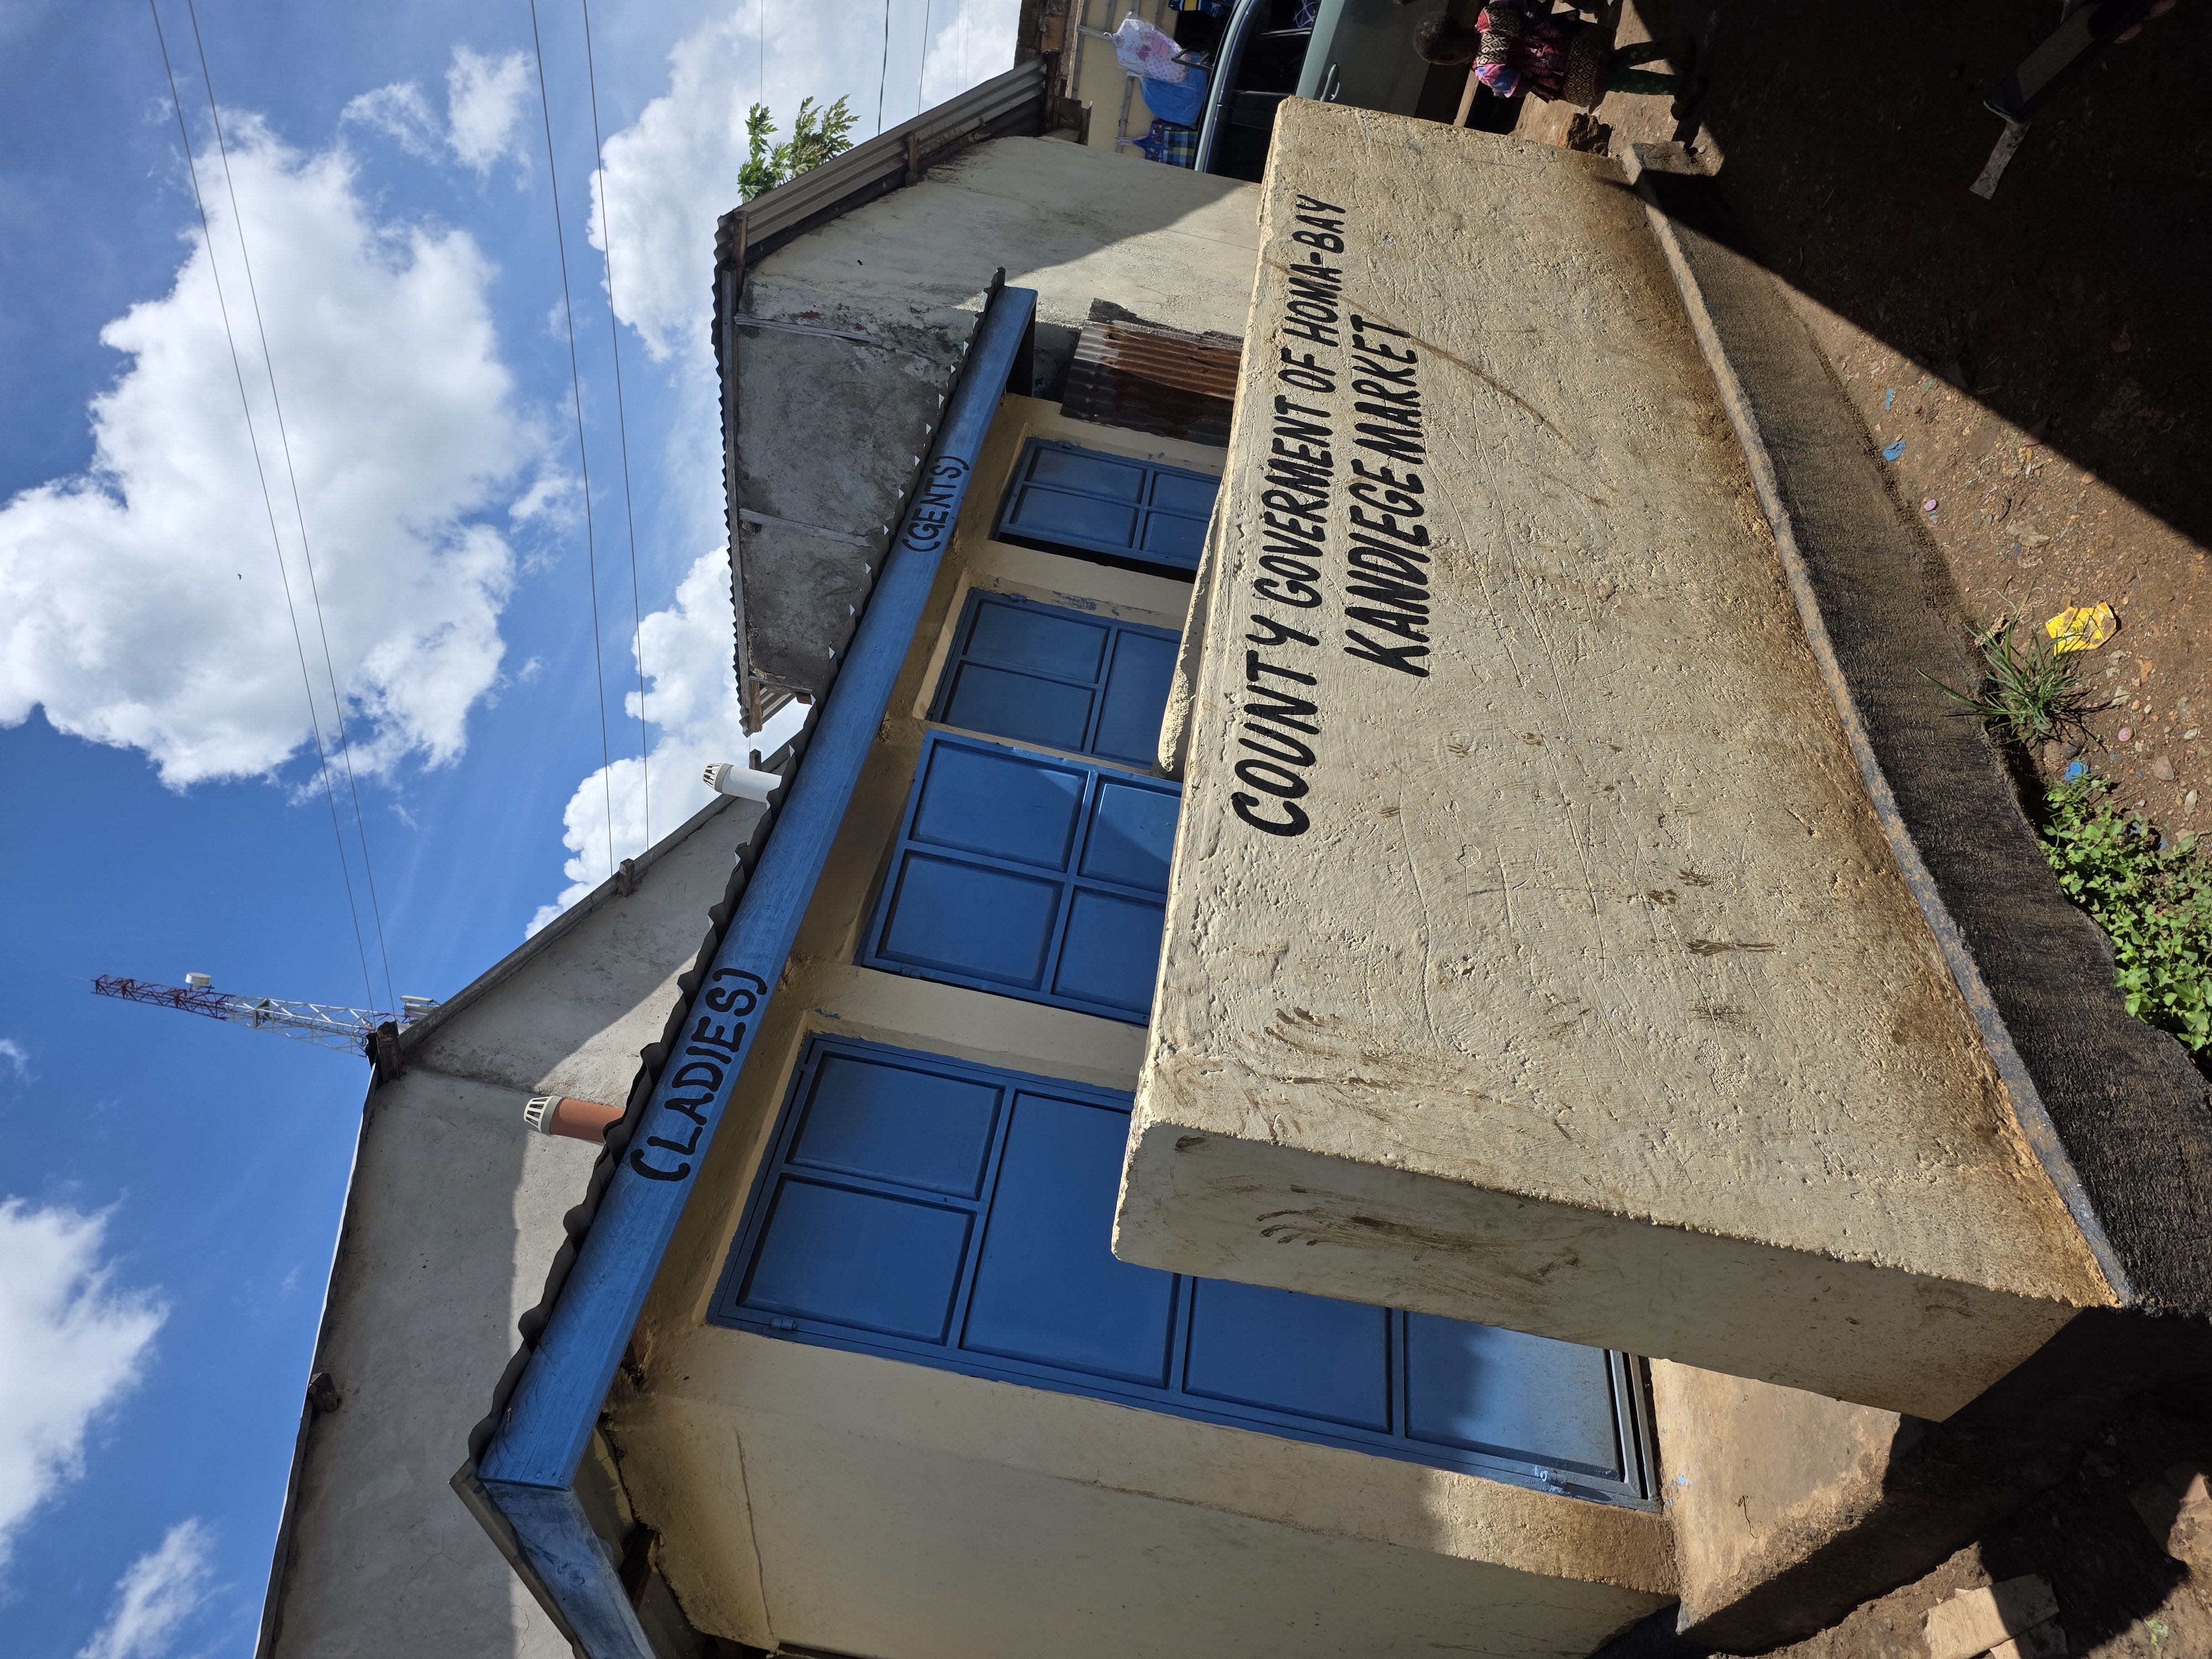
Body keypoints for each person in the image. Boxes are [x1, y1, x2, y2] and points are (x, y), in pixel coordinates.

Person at [1412, 4, 1677, 108]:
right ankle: (1670, 48)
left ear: (1448, 58)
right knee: (1616, 58)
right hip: (1575, 39)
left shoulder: (1486, 68)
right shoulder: (1489, 13)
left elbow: (1521, 87)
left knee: (1618, 80)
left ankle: (1680, 86)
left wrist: (1501, 90)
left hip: (1570, 75)